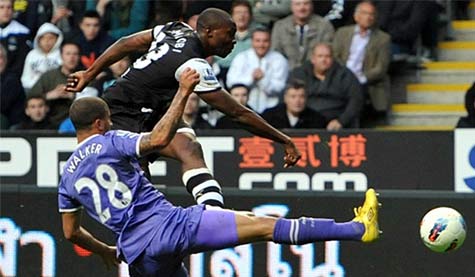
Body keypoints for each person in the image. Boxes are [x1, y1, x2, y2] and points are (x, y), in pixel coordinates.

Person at [59, 68, 381, 276]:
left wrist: (108, 252)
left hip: (138, 254)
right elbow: (158, 139)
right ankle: (356, 228)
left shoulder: (67, 180)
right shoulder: (110, 140)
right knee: (265, 226)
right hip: (170, 226)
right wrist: (183, 91)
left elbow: (71, 233)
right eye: (109, 122)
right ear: (101, 123)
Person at [65, 8, 301, 208]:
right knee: (139, 185)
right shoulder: (193, 63)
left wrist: (89, 73)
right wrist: (283, 140)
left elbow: (126, 43)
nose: (233, 41)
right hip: (121, 113)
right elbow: (238, 113)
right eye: (228, 35)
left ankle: (212, 212)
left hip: (153, 111)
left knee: (188, 147)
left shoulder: (175, 29)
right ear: (208, 32)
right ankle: (145, 239)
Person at [332, 1, 391, 127]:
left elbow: (381, 67)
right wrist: (345, 76)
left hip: (365, 82)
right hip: (342, 78)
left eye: (372, 14)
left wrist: (360, 79)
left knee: (357, 93)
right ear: (356, 16)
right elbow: (335, 56)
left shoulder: (383, 38)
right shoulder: (342, 33)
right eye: (365, 13)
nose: (369, 17)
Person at [290, 43, 364, 131]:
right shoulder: (299, 73)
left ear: (332, 59)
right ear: (313, 59)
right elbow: (289, 97)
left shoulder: (344, 74)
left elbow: (356, 100)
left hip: (337, 121)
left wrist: (341, 121)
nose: (324, 60)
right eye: (320, 56)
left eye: (327, 56)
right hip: (306, 120)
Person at [30, 41, 98, 127]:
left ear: (79, 57)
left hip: (77, 124)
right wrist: (50, 95)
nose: (71, 58)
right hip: (49, 123)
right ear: (61, 56)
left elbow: (91, 103)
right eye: (68, 54)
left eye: (75, 54)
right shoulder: (48, 76)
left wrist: (72, 96)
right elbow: (31, 96)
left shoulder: (86, 77)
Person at [226, 27, 288, 113]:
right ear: (252, 41)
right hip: (245, 108)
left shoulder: (279, 60)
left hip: (272, 109)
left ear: (270, 42)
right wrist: (251, 78)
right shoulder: (241, 58)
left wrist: (263, 80)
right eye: (258, 41)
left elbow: (280, 88)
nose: (261, 45)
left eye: (265, 41)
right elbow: (231, 82)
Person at [271, 0, 334, 70]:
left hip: (315, 73)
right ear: (291, 7)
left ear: (312, 6)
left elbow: (327, 54)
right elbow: (276, 55)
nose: (302, 8)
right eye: (297, 4)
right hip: (287, 73)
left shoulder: (324, 26)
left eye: (306, 4)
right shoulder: (280, 26)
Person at [261, 79, 327, 129]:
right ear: (285, 98)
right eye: (293, 97)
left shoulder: (316, 119)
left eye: (301, 96)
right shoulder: (269, 116)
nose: (297, 101)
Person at [21, 22, 63, 91]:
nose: (47, 41)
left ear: (57, 39)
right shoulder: (32, 55)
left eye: (51, 38)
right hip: (33, 89)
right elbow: (26, 77)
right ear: (38, 40)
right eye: (43, 38)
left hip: (56, 89)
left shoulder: (61, 54)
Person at [0, 0, 30, 76]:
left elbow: (21, 62)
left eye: (9, 7)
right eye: (1, 7)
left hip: (12, 78)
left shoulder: (22, 32)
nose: (6, 11)